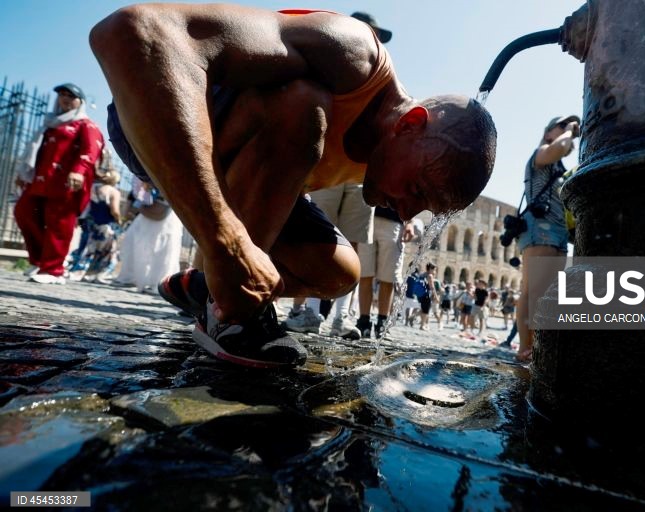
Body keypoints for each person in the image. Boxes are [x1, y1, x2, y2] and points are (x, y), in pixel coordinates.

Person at [90, 4, 497, 368]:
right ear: (410, 124)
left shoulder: (387, 150)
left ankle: (206, 288)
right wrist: (226, 243)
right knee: (303, 104)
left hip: (236, 166)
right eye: (419, 191)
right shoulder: (353, 55)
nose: (407, 212)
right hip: (154, 119)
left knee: (339, 274)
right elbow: (135, 32)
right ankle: (231, 312)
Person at [284, 11, 394, 341]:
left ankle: (338, 316)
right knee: (315, 235)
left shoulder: (384, 75)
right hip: (328, 163)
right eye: (370, 32)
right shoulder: (331, 61)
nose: (374, 40)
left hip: (360, 172)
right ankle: (302, 311)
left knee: (355, 241)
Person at [13, 83, 104, 284]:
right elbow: (36, 151)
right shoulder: (51, 123)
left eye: (70, 95)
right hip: (40, 181)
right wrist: (23, 172)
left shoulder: (85, 125)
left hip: (66, 183)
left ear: (80, 102)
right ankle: (40, 261)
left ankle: (54, 269)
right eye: (62, 94)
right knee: (24, 212)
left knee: (59, 224)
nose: (65, 98)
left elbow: (91, 150)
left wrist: (79, 172)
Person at [515, 115, 579, 362]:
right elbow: (559, 148)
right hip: (540, 229)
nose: (569, 129)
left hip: (558, 232)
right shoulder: (541, 154)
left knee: (548, 293)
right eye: (562, 125)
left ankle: (538, 345)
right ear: (549, 131)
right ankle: (524, 347)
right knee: (533, 290)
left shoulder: (559, 168)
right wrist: (570, 132)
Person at [113, 178, 183, 293]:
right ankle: (133, 278)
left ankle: (157, 283)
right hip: (146, 219)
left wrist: (139, 206)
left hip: (163, 220)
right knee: (134, 245)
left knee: (162, 251)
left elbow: (160, 213)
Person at [356, 207, 415, 339]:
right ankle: (363, 321)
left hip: (394, 220)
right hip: (367, 216)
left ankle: (382, 322)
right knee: (365, 273)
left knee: (388, 277)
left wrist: (410, 221)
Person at [68, 166, 122, 282]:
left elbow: (87, 205)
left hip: (93, 223)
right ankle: (99, 274)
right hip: (106, 225)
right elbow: (114, 210)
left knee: (89, 248)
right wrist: (119, 220)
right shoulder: (114, 192)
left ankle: (80, 270)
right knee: (108, 251)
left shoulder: (94, 188)